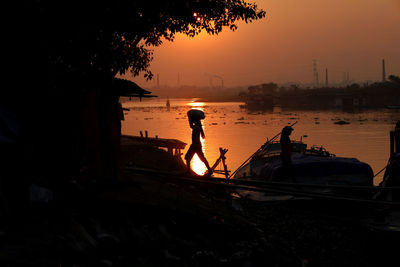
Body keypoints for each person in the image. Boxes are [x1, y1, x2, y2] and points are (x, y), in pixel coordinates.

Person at [184, 109, 213, 176]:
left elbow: (191, 125)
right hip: (197, 145)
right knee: (202, 158)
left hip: (195, 145)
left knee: (187, 157)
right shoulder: (198, 127)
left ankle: (188, 171)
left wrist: (190, 119)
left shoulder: (196, 127)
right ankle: (209, 170)